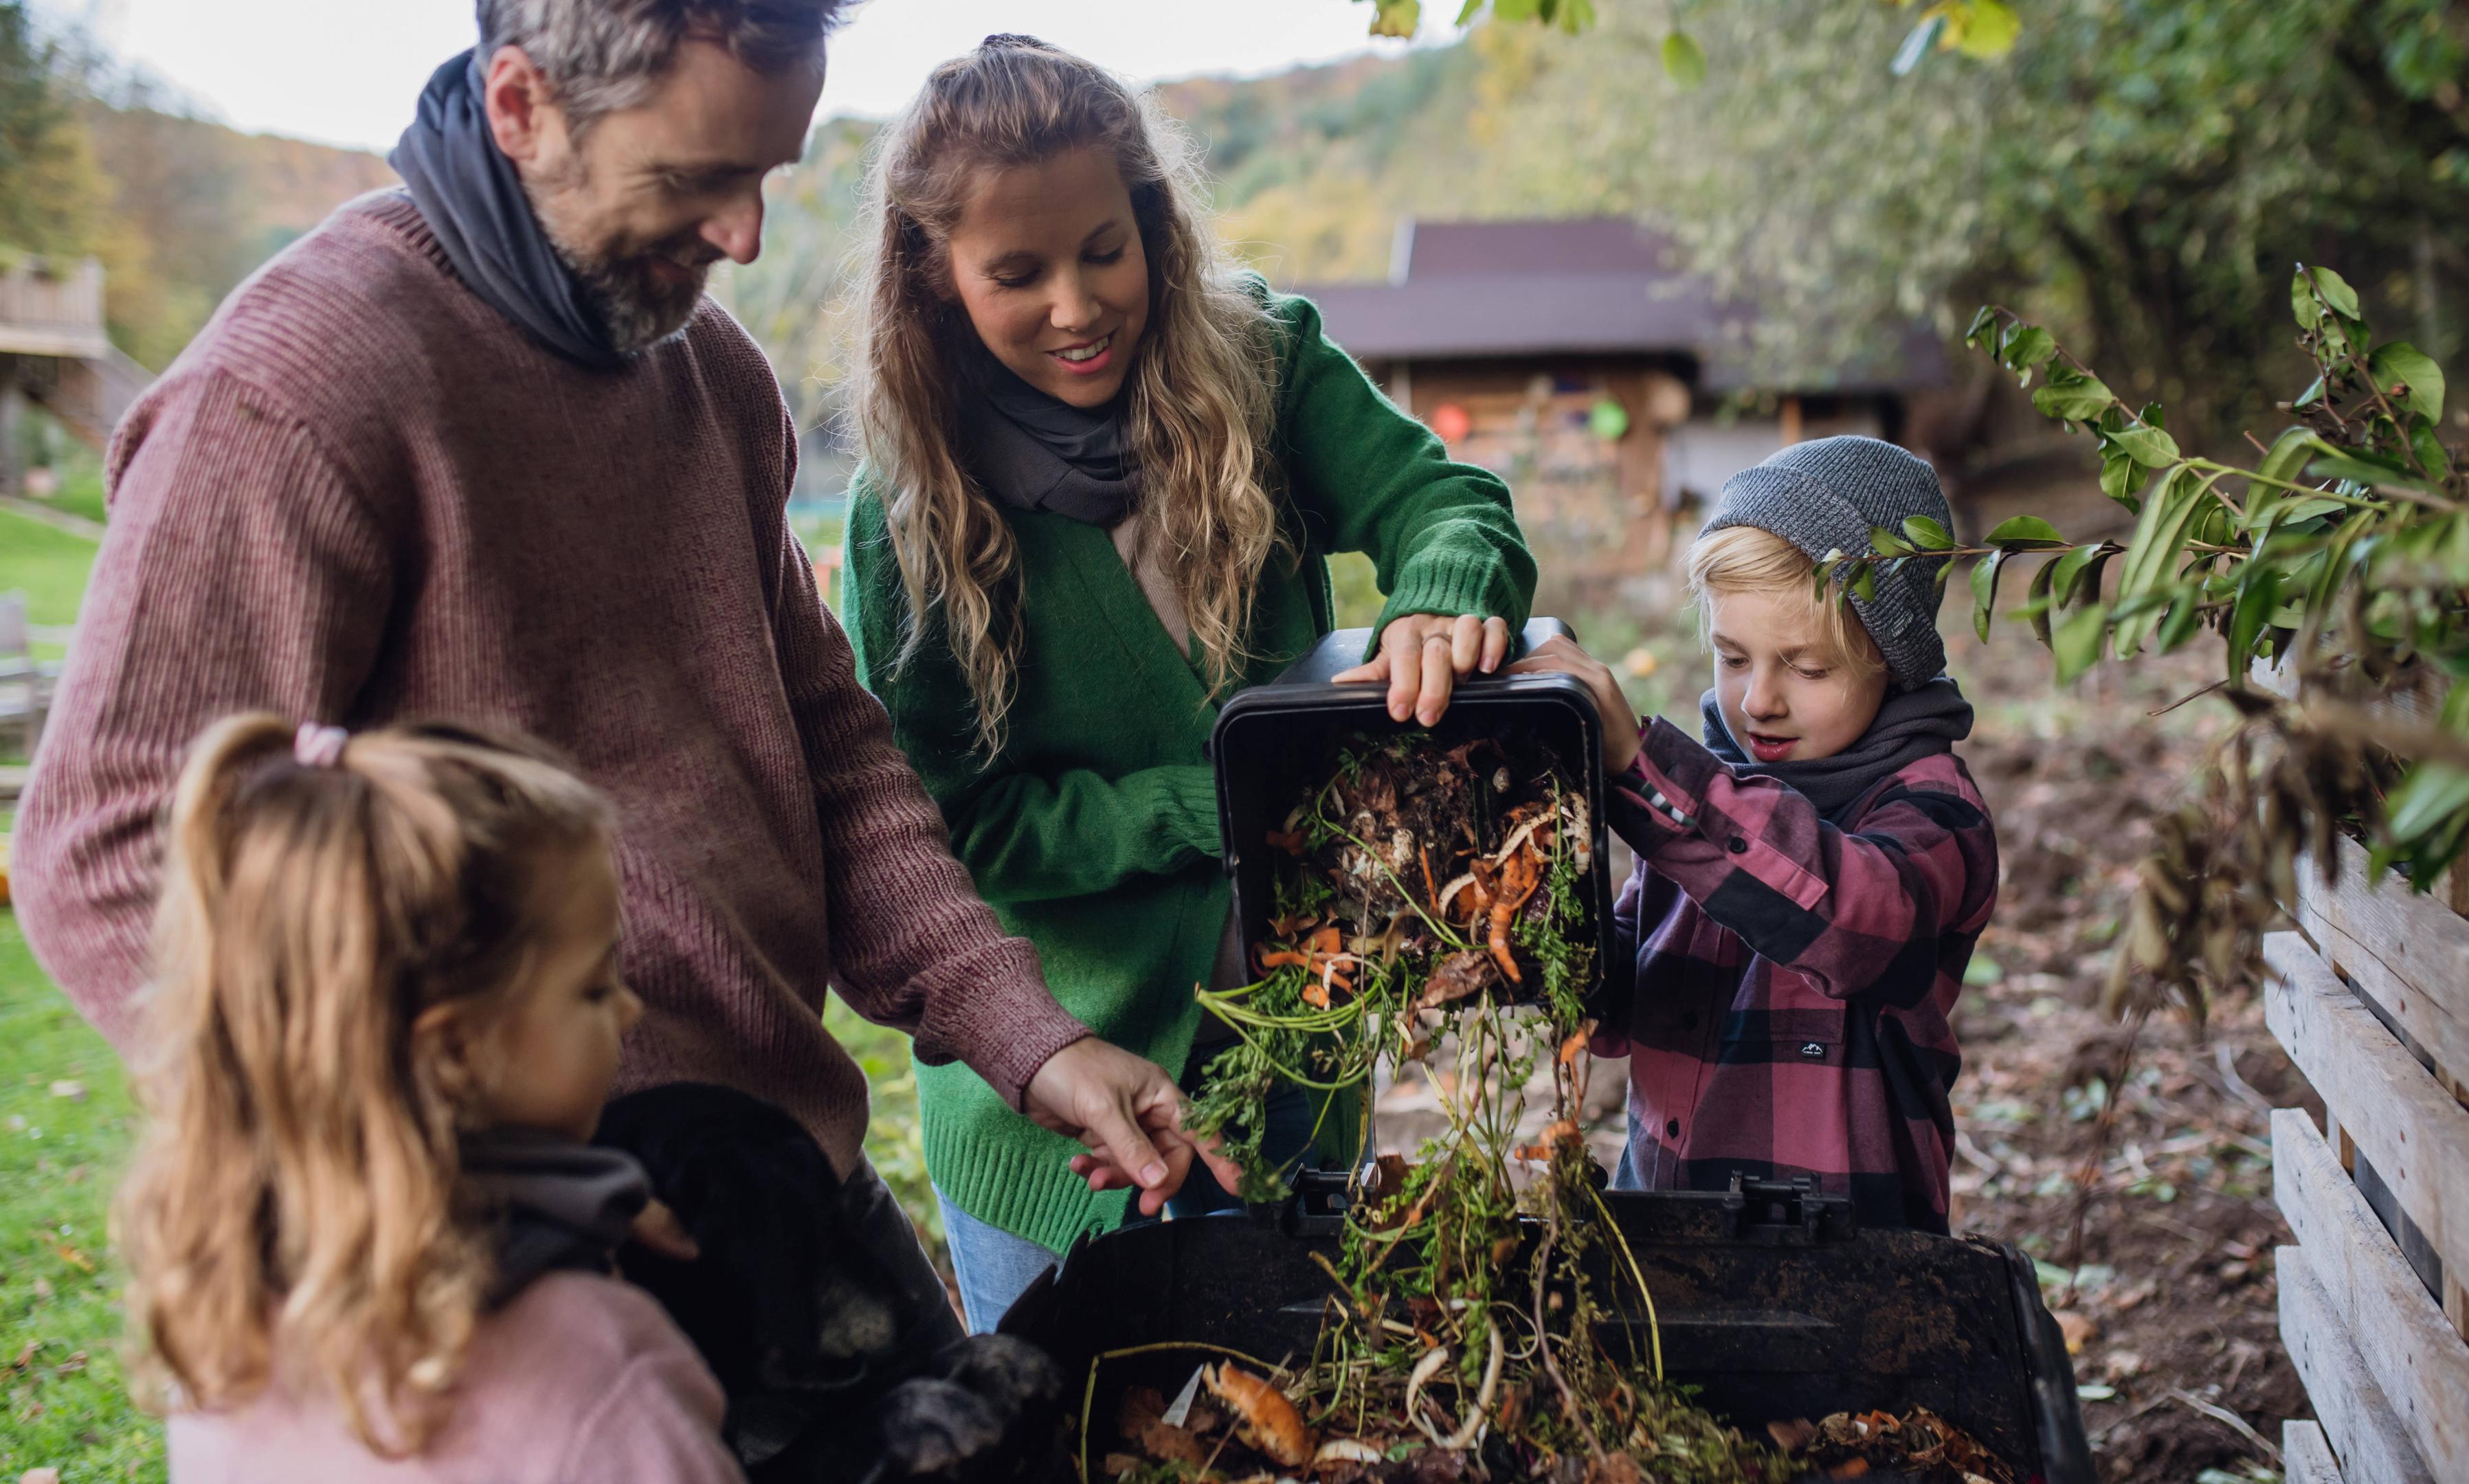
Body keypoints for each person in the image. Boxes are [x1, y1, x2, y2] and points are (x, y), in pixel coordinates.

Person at [14, 0, 1208, 1351]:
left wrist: (1023, 1032)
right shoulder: (301, 390)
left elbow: (832, 755)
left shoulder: (711, 378)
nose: (744, 236)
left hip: (776, 1170)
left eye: (766, 175)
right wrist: (437, 1178)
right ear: (522, 107)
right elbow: (109, 845)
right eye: (696, 180)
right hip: (509, 1263)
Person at [837, 35, 1537, 1329]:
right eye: (1017, 273)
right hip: (1054, 1101)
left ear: (1153, 221)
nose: (1077, 305)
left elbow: (1442, 497)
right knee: (1082, 1424)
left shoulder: (1259, 364)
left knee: (1296, 1394)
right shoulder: (912, 517)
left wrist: (1444, 593)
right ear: (935, 280)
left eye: (1106, 248)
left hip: (1293, 1040)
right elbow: (951, 827)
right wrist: (1218, 800)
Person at [127, 714, 739, 1481]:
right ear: (453, 1052)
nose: (628, 1009)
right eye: (593, 987)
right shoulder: (596, 1365)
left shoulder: (221, 1341)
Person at [1511, 435, 1998, 1233]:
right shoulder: (1699, 795)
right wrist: (1527, 906)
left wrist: (1645, 770)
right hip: (1667, 1219)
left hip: (1843, 1252)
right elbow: (1619, 1005)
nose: (1760, 701)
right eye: (1733, 657)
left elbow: (1852, 924)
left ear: (1894, 662)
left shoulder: (1933, 810)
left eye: (1807, 669)